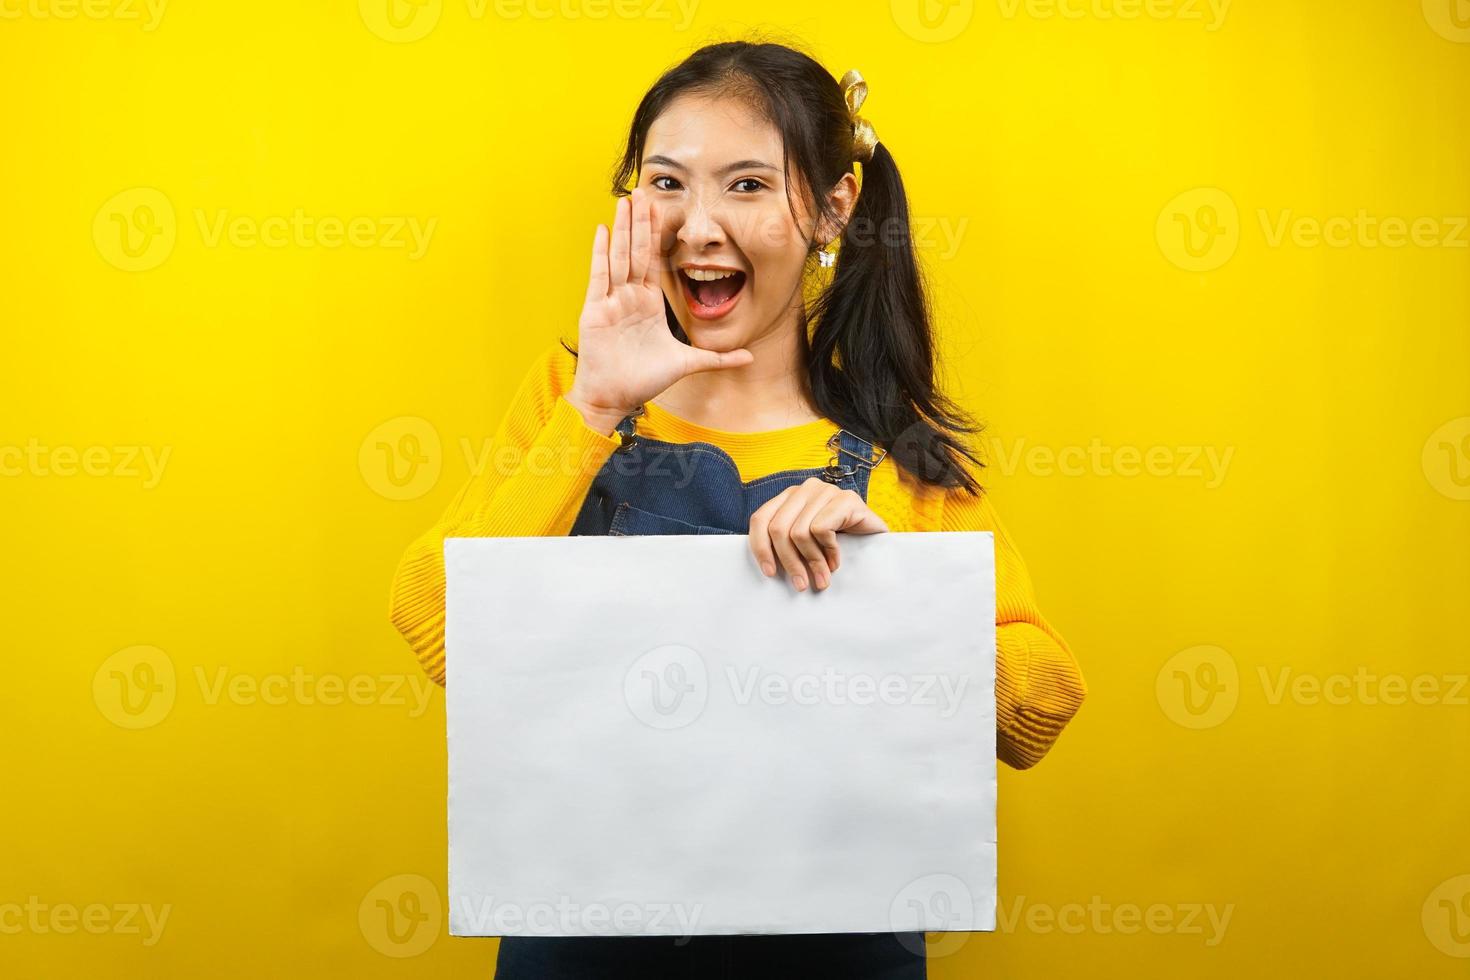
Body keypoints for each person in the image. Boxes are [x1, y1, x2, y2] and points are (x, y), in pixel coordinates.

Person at [388, 39, 1088, 980]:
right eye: (667, 183)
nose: (698, 227)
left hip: (838, 949)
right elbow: (434, 621)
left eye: (749, 186)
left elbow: (1039, 705)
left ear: (834, 208)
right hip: (583, 941)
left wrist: (887, 587)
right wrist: (592, 411)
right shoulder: (571, 393)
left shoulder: (899, 440)